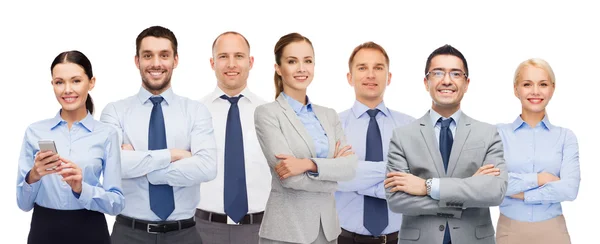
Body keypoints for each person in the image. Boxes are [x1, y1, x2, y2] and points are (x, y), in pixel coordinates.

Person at [100, 25, 217, 244]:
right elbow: (112, 166)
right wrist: (175, 154)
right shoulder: (115, 111)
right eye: (147, 55)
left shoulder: (196, 111)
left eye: (164, 55)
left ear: (175, 60)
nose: (156, 63)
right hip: (128, 234)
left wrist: (144, 168)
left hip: (184, 235)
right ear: (137, 61)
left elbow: (207, 167)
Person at [384, 44, 507, 244]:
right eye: (438, 73)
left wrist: (427, 186)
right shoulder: (402, 136)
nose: (447, 81)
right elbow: (397, 200)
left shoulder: (488, 134)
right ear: (426, 82)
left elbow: (494, 193)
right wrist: (467, 193)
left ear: (466, 84)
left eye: (456, 74)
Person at [254, 32, 358, 244]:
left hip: (327, 232)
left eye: (308, 61)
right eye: (292, 61)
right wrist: (333, 177)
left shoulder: (329, 115)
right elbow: (290, 178)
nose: (302, 68)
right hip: (286, 232)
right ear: (278, 68)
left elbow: (350, 167)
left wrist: (307, 164)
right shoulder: (267, 113)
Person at [16, 50, 125, 244]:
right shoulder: (35, 131)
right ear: (53, 85)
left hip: (90, 230)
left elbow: (116, 203)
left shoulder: (106, 134)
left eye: (76, 81)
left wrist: (81, 188)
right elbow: (23, 205)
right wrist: (33, 176)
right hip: (44, 230)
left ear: (91, 83)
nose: (67, 90)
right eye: (59, 82)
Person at [336, 41, 415, 244]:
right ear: (349, 77)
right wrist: (397, 170)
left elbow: (418, 182)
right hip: (344, 239)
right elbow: (333, 179)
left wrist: (356, 174)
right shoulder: (332, 125)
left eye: (378, 68)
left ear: (388, 77)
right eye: (362, 68)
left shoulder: (410, 126)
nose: (370, 75)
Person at [196, 31, 270, 244]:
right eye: (223, 56)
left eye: (238, 56)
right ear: (212, 62)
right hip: (204, 229)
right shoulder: (194, 113)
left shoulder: (270, 113)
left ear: (251, 61)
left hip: (259, 229)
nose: (231, 64)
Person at [495, 58, 580, 244]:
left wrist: (522, 194)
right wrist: (540, 179)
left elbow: (569, 189)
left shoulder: (566, 137)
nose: (535, 91)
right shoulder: (498, 134)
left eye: (543, 84)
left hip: (554, 231)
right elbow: (492, 184)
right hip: (509, 231)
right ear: (516, 89)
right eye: (527, 84)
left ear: (552, 88)